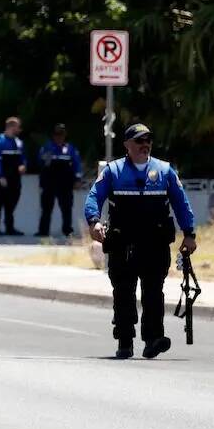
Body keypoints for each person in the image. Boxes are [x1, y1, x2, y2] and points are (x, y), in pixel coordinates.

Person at [84, 124, 198, 360]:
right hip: (122, 243)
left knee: (154, 293)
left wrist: (189, 233)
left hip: (154, 244)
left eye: (148, 140)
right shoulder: (113, 171)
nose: (144, 144)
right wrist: (94, 221)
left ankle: (153, 339)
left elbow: (181, 203)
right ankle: (125, 340)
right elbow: (94, 196)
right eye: (138, 141)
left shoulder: (165, 171)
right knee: (124, 292)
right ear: (127, 144)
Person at [36, 124, 83, 238]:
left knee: (66, 208)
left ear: (64, 136)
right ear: (53, 136)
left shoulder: (70, 149)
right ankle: (43, 231)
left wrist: (77, 179)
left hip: (65, 183)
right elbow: (41, 163)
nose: (59, 138)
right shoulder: (47, 147)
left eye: (61, 135)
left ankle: (67, 230)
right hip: (49, 183)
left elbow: (77, 165)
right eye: (57, 135)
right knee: (46, 208)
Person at [0, 116, 27, 235]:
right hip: (2, 177)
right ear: (11, 127)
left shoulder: (19, 143)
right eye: (18, 127)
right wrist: (0, 175)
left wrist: (23, 165)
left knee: (11, 203)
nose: (20, 130)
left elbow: (22, 158)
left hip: (15, 178)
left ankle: (9, 228)